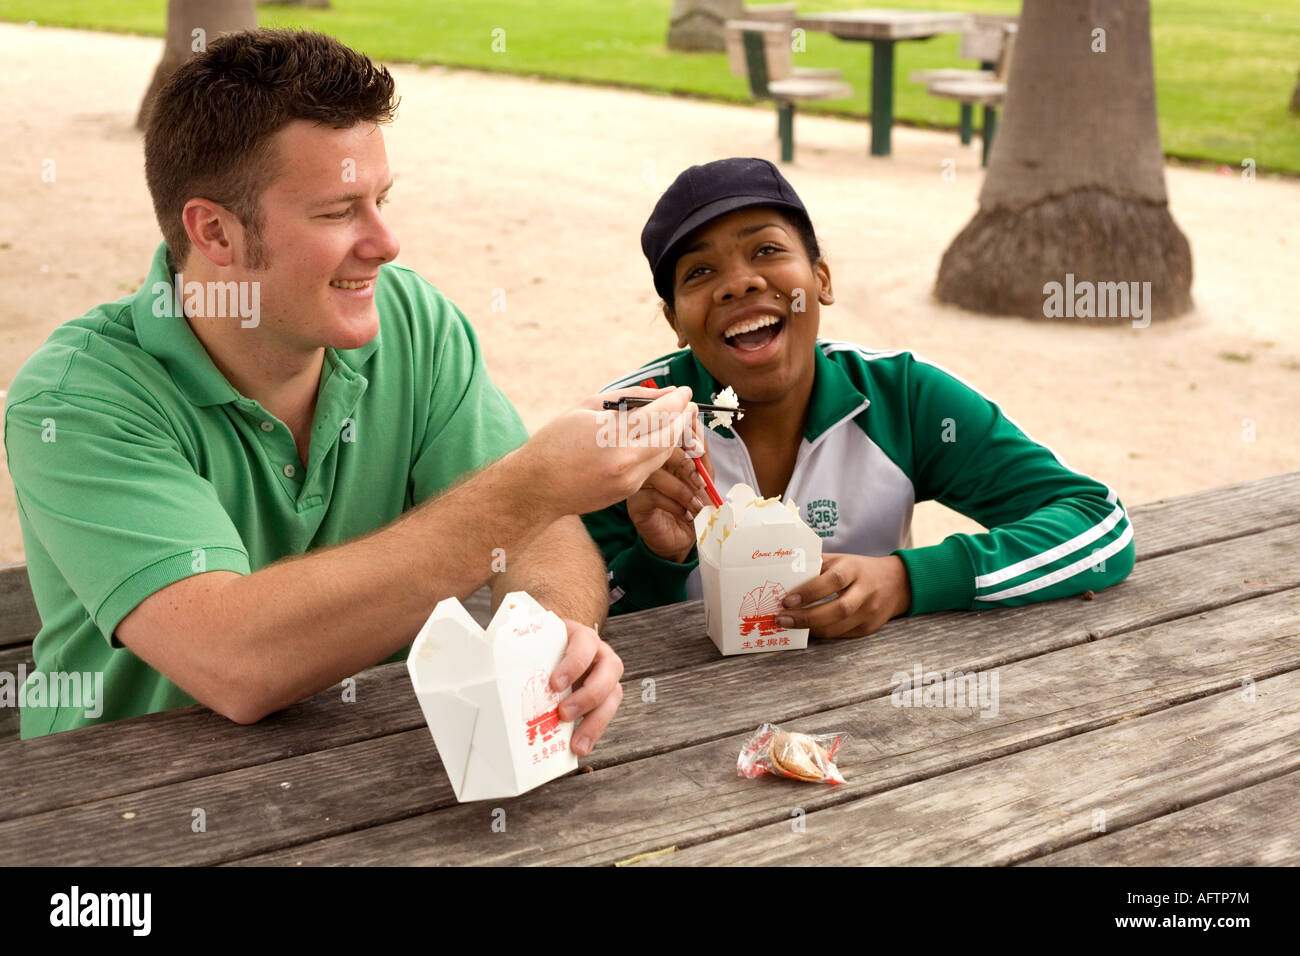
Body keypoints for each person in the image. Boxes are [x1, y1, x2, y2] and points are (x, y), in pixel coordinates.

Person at [4, 30, 701, 741]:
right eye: (339, 211)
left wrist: (554, 634)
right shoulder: (74, 401)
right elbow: (235, 662)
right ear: (214, 232)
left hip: (375, 771)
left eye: (382, 199)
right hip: (115, 808)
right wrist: (531, 484)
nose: (386, 242)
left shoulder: (414, 321)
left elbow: (536, 532)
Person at [582, 157, 1136, 636]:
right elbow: (562, 629)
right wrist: (658, 560)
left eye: (767, 250)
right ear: (675, 320)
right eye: (700, 271)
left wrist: (906, 581)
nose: (740, 283)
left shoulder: (901, 397)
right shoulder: (625, 426)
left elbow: (1099, 525)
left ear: (821, 278)